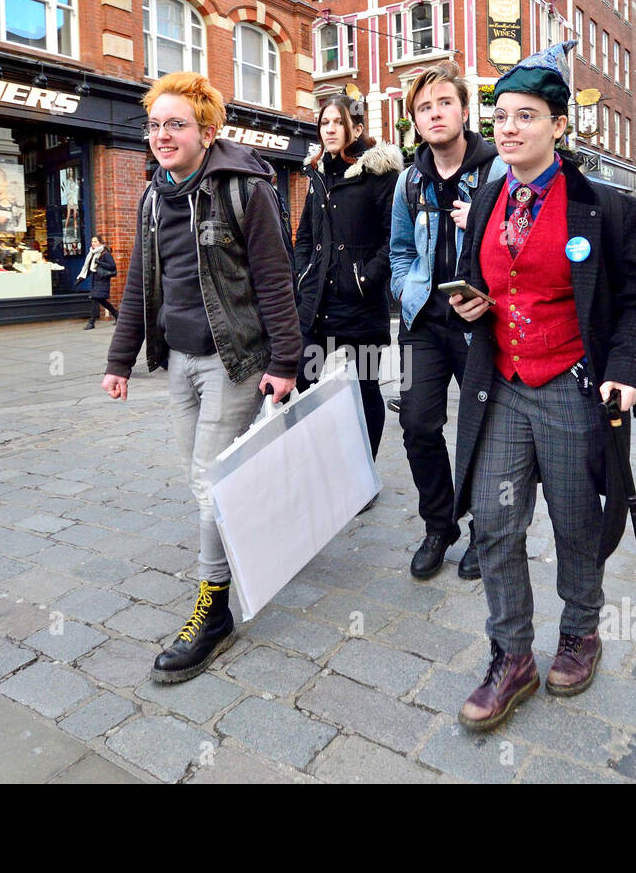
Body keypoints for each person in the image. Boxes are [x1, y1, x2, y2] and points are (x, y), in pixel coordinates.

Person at [448, 41, 636, 732]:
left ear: (558, 126)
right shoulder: (484, 199)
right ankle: (511, 652)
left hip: (576, 385)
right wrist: (471, 301)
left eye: (527, 116)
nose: (508, 128)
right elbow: (476, 276)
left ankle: (581, 630)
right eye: (501, 117)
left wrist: (630, 372)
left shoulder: (608, 207)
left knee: (577, 522)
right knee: (495, 523)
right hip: (503, 383)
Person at [101, 72, 301, 683]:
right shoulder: (151, 195)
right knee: (204, 482)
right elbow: (139, 282)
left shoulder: (245, 189)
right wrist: (120, 359)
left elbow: (274, 279)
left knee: (208, 483)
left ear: (207, 132)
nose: (162, 135)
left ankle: (213, 611)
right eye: (155, 125)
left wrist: (285, 363)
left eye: (176, 124)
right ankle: (248, 539)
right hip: (180, 360)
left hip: (235, 358)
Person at [389, 61, 508, 581]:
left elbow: (522, 250)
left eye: (443, 103)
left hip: (481, 326)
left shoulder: (498, 171)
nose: (434, 114)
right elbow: (397, 251)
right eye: (423, 108)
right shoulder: (409, 180)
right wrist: (403, 288)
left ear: (464, 110)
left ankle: (486, 527)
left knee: (483, 428)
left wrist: (484, 228)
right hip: (422, 324)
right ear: (414, 121)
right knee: (417, 422)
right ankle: (440, 524)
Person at [294, 94, 401, 459]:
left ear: (356, 128)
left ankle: (363, 468)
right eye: (325, 123)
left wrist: (366, 279)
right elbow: (305, 235)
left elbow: (394, 237)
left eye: (337, 122)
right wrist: (302, 275)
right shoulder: (317, 174)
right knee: (302, 380)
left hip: (360, 305)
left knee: (366, 386)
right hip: (318, 305)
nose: (330, 129)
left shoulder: (379, 174)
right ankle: (316, 461)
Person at [78, 234, 118, 329]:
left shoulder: (105, 254)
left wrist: (100, 262)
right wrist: (81, 278)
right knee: (101, 300)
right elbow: (89, 268)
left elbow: (112, 266)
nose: (93, 243)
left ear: (100, 242)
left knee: (95, 298)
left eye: (95, 241)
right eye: (92, 241)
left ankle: (92, 322)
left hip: (103, 279)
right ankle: (116, 314)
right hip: (95, 279)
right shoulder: (92, 254)